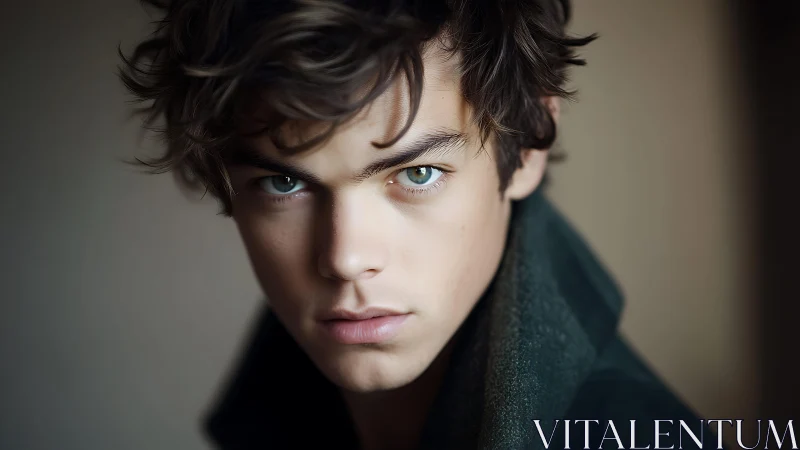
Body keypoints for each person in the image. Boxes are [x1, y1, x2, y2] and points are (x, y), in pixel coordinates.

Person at [119, 0, 721, 448]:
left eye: (417, 174)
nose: (346, 258)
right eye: (285, 183)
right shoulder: (275, 402)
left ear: (531, 144)